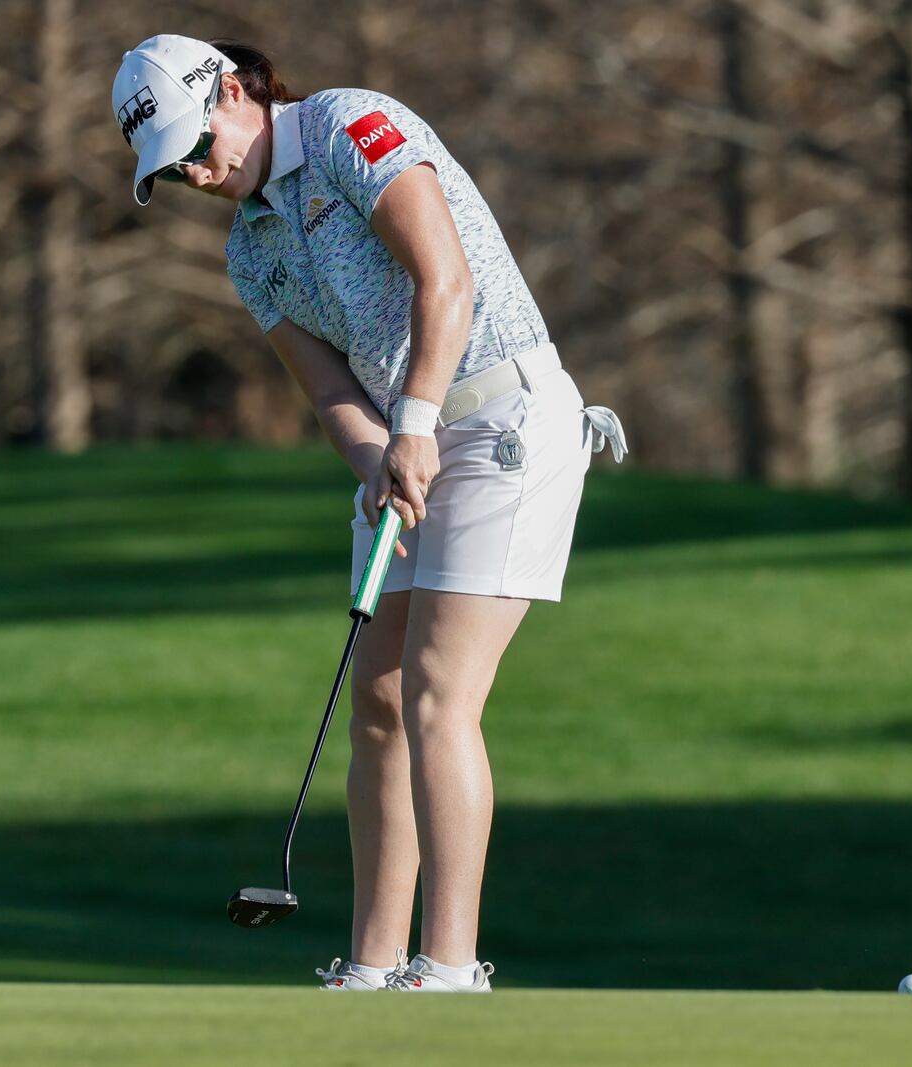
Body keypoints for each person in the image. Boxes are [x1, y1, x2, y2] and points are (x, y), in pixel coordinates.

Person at [112, 34, 626, 993]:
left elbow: (447, 281)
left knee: (437, 688)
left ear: (232, 90)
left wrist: (417, 427)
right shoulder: (249, 248)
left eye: (191, 142)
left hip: (505, 415)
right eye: (168, 166)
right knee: (379, 704)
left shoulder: (349, 125)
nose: (190, 171)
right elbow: (327, 388)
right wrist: (377, 459)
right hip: (407, 445)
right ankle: (373, 966)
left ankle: (451, 965)